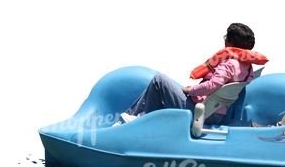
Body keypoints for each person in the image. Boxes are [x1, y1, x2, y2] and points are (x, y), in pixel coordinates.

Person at [114, 23, 267, 126]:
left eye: (226, 37)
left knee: (159, 80)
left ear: (231, 43)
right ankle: (143, 124)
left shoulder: (230, 64)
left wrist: (190, 90)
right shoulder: (247, 69)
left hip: (201, 111)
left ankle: (131, 120)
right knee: (161, 101)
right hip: (217, 113)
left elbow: (213, 85)